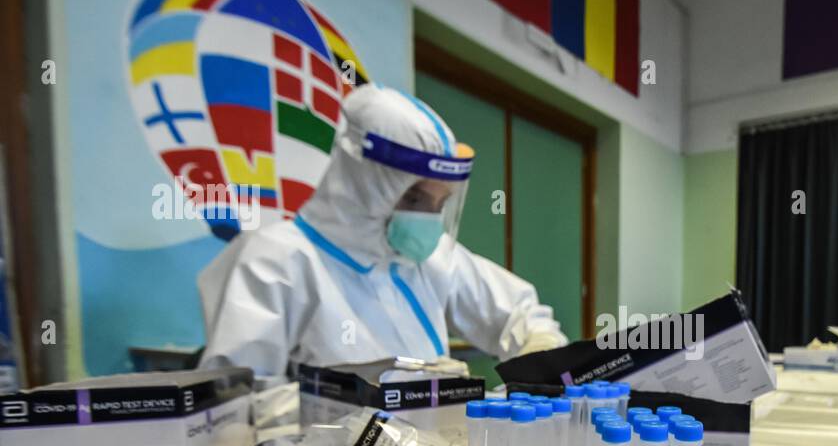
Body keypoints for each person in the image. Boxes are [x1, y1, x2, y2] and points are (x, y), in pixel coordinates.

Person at [199, 85, 566, 378]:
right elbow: (241, 409)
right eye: (416, 198)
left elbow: (518, 312)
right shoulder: (278, 260)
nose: (428, 220)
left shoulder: (428, 257)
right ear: (364, 185)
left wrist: (539, 347)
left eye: (441, 204)